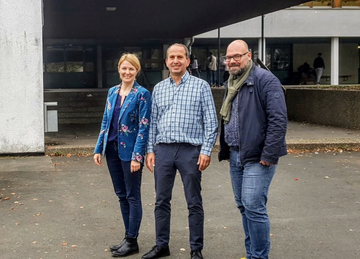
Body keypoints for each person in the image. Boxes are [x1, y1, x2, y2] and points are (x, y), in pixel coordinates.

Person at [143, 43, 218, 259]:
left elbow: (211, 122)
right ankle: (161, 245)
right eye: (171, 57)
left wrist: (206, 151)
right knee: (161, 200)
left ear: (187, 60)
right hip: (163, 151)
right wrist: (150, 150)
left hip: (190, 151)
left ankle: (196, 249)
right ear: (166, 62)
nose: (176, 60)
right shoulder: (158, 88)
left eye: (180, 57)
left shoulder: (201, 86)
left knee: (193, 201)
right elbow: (153, 123)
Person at [218, 40, 288, 259]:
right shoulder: (232, 82)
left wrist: (269, 154)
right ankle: (252, 254)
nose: (232, 61)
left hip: (258, 156)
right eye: (228, 58)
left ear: (249, 55)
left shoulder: (265, 80)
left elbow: (278, 120)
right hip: (236, 153)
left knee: (253, 206)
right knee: (243, 206)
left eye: (237, 56)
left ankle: (258, 256)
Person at [94, 53, 152, 257]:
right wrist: (98, 148)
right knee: (121, 195)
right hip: (111, 150)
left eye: (132, 69)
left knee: (132, 196)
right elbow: (105, 121)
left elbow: (144, 127)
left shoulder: (142, 94)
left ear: (137, 71)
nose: (127, 72)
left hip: (130, 153)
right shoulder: (112, 92)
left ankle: (132, 240)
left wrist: (138, 156)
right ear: (118, 69)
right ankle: (128, 236)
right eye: (124, 68)